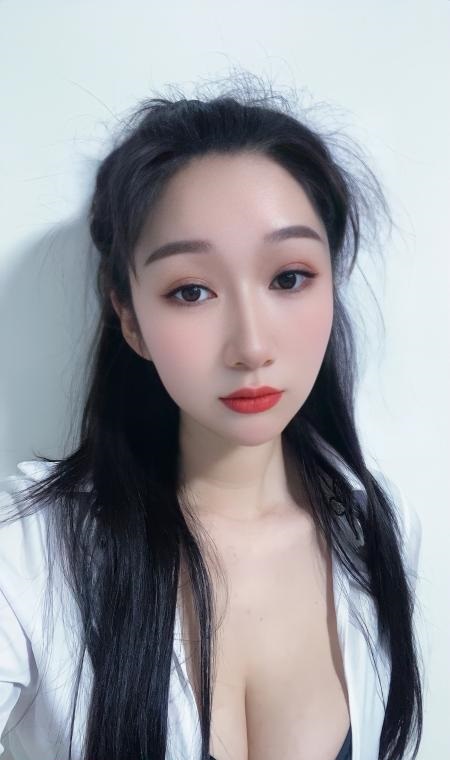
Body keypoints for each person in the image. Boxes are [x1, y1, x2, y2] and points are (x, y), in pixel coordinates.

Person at [0, 76, 423, 760]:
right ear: (129, 317)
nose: (251, 346)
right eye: (191, 290)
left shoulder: (372, 525)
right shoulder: (25, 557)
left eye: (289, 277)